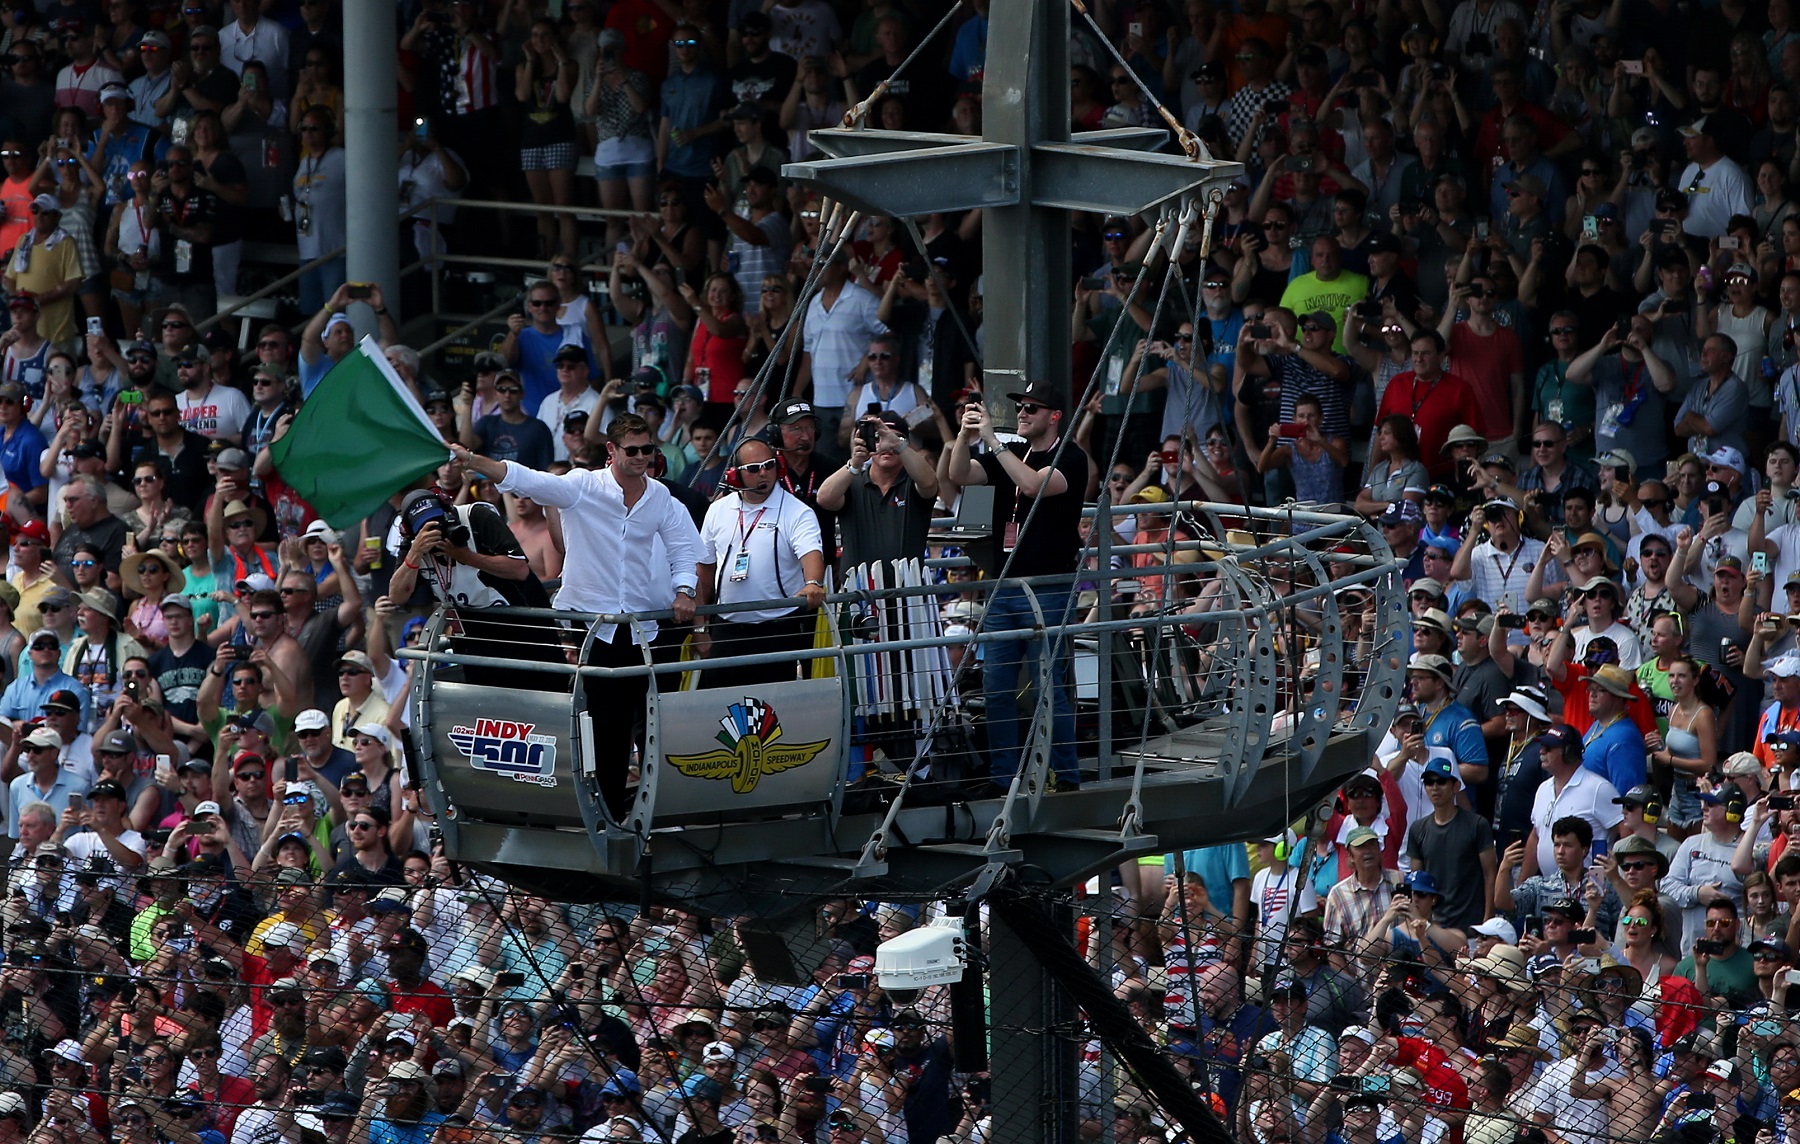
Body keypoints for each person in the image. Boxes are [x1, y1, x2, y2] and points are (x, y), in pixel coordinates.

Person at [450, 416, 699, 810]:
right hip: (593, 625)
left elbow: (686, 550)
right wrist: (475, 460)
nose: (640, 458)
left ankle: (654, 809)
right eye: (631, 450)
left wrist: (685, 590)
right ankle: (606, 810)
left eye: (647, 450)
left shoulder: (661, 497)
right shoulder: (584, 485)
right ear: (611, 452)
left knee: (655, 720)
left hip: (645, 626)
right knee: (603, 724)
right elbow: (528, 480)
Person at [947, 380, 1088, 792]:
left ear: (1054, 416)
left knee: (1049, 688)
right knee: (995, 688)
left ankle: (1067, 776)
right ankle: (1002, 776)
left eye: (1032, 408)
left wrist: (991, 439)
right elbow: (959, 474)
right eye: (1021, 407)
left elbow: (1033, 485)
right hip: (1004, 585)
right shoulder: (1013, 452)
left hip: (1049, 585)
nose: (1023, 413)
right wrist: (964, 436)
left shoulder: (1071, 457)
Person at [693, 436, 825, 693]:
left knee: (775, 715)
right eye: (754, 469)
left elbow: (811, 553)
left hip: (778, 628)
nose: (764, 473)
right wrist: (700, 628)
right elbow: (704, 573)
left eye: (769, 465)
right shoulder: (718, 510)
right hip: (727, 629)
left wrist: (812, 583)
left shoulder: (797, 511)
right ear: (735, 475)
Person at [814, 410, 939, 571]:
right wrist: (854, 463)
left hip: (907, 589)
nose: (886, 445)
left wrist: (898, 445)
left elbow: (929, 482)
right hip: (860, 590)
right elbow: (823, 498)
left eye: (895, 438)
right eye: (878, 438)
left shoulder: (914, 482)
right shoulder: (851, 481)